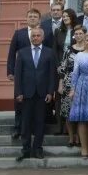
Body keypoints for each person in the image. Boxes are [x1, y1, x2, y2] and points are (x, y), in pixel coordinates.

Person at [13, 27, 56, 162]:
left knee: (39, 123)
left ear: (42, 38)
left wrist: (50, 92)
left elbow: (52, 74)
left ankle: (37, 149)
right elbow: (18, 75)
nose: (35, 38)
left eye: (38, 36)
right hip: (26, 94)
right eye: (33, 36)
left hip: (42, 94)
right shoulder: (22, 52)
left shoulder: (50, 53)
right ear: (30, 38)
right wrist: (18, 92)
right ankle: (25, 150)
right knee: (25, 123)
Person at [7, 8, 50, 139]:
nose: (32, 18)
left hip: (39, 75)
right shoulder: (19, 33)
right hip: (22, 75)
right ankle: (18, 128)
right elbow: (11, 53)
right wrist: (10, 71)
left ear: (39, 19)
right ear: (26, 19)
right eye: (30, 16)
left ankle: (34, 129)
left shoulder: (45, 33)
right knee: (19, 103)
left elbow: (48, 53)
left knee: (37, 105)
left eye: (35, 16)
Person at [58, 25, 87, 149]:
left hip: (84, 83)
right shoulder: (68, 50)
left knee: (81, 111)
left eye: (81, 33)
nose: (79, 36)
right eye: (77, 34)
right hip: (69, 82)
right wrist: (61, 84)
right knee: (68, 112)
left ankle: (80, 137)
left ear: (85, 35)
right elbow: (63, 68)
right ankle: (71, 137)